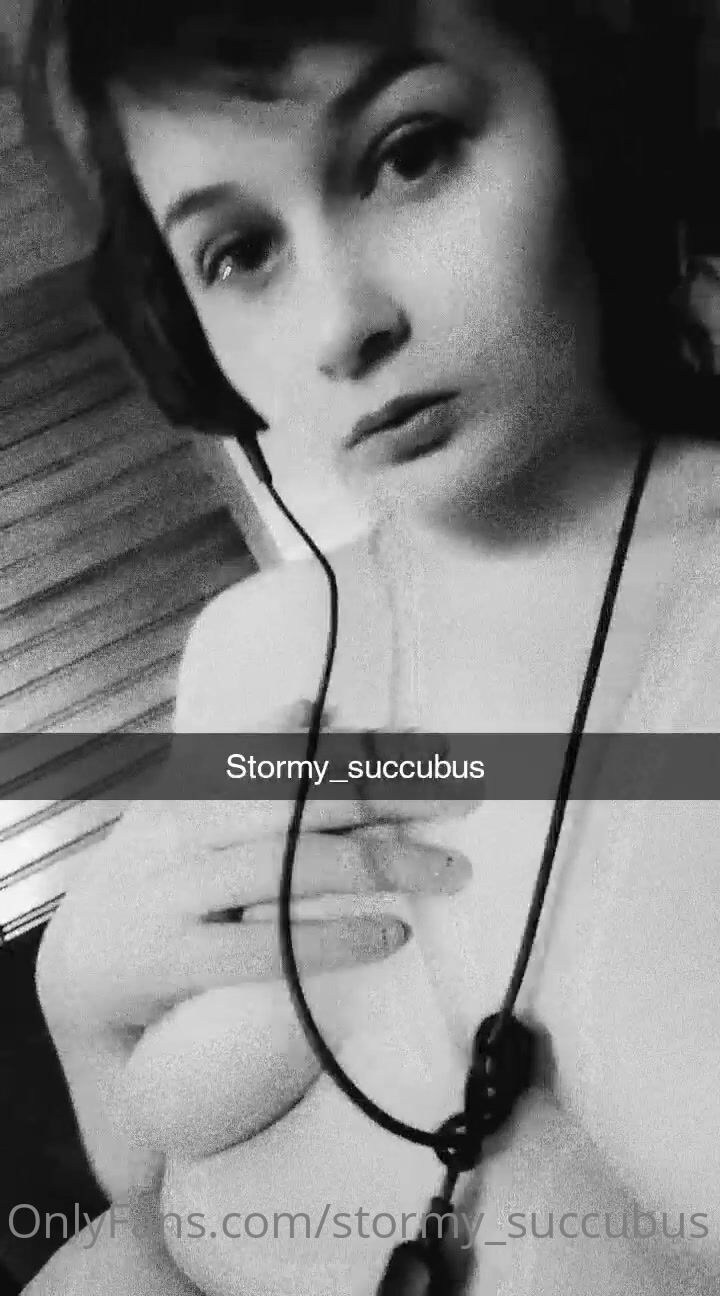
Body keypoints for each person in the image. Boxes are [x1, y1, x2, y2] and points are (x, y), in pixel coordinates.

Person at [22, 0, 720, 1292]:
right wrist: (78, 1009)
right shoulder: (255, 654)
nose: (340, 324)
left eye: (411, 153)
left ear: (602, 123)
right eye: (239, 250)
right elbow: (151, 1199)